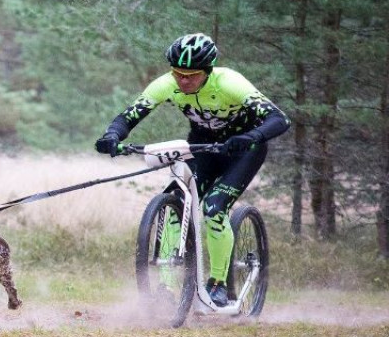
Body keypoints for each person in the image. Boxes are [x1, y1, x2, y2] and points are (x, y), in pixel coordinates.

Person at [95, 33, 290, 307]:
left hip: (243, 150)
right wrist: (113, 136)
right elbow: (130, 115)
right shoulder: (166, 84)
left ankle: (219, 284)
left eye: (191, 75)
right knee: (175, 200)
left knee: (213, 209)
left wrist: (251, 137)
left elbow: (279, 119)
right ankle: (166, 288)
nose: (183, 81)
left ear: (207, 72)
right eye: (177, 74)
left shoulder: (230, 82)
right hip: (202, 148)